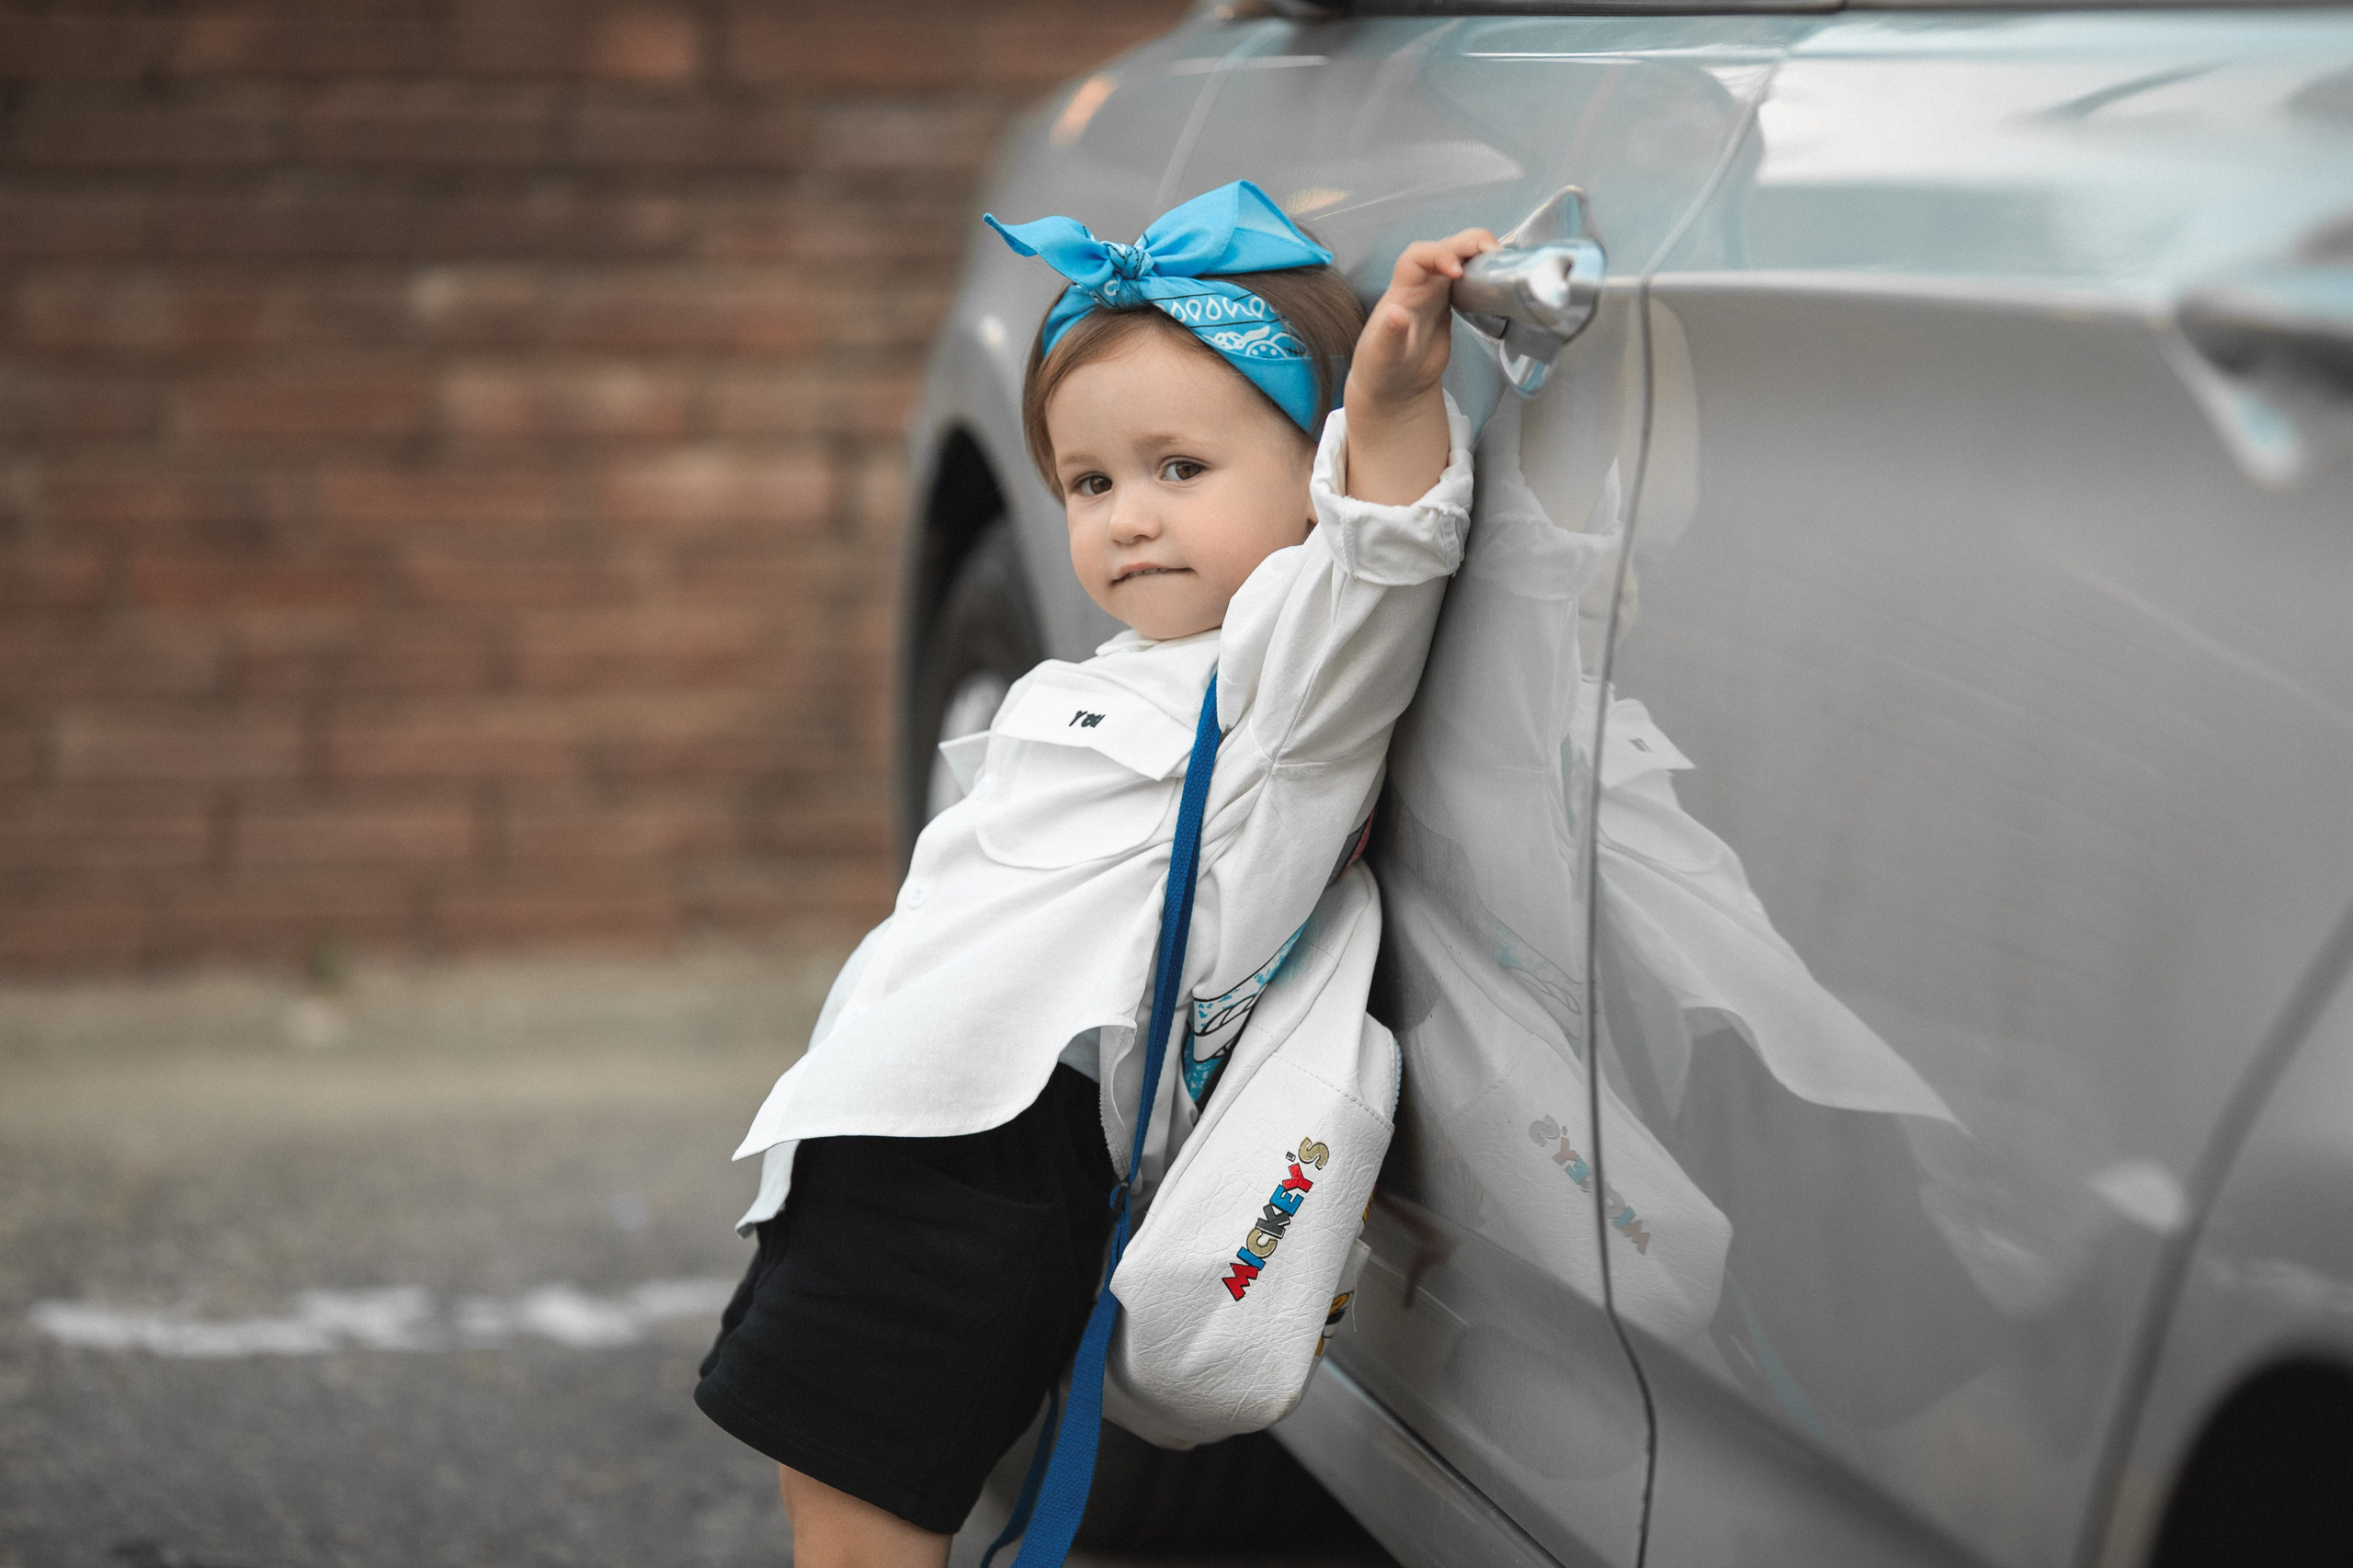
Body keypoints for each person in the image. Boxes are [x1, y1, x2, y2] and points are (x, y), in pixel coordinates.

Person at [693, 179, 1495, 1568]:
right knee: (829, 1499)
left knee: (863, 1524)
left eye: (1181, 469)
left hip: (989, 1155)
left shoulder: (1284, 692)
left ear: (1312, 462)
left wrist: (1391, 402)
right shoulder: (1100, 676)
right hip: (882, 1135)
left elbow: (1386, 558)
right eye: (1091, 481)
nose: (1130, 516)